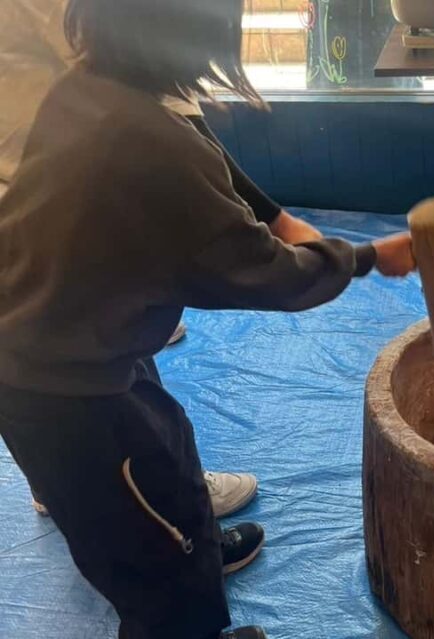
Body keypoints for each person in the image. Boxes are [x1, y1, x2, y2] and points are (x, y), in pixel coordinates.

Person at [0, 0, 416, 637]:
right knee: (150, 560)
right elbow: (270, 272)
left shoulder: (85, 90)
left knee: (166, 460)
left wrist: (283, 221)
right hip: (64, 392)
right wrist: (365, 258)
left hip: (67, 339)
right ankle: (180, 598)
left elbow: (196, 158)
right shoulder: (152, 149)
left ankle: (186, 542)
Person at [0, 0, 321, 518]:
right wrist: (277, 222)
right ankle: (171, 509)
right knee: (96, 377)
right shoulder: (124, 95)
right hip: (53, 199)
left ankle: (72, 487)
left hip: (37, 203)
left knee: (65, 366)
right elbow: (161, 100)